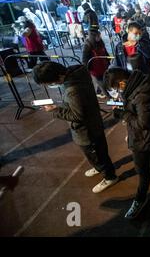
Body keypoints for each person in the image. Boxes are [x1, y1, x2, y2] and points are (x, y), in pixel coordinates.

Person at [32, 62, 117, 193]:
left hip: (87, 130)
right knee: (99, 152)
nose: (51, 85)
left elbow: (77, 116)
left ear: (58, 76)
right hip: (94, 123)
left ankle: (110, 177)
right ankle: (100, 168)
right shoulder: (79, 72)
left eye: (50, 83)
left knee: (97, 155)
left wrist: (55, 110)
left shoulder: (73, 90)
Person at [104, 68, 150, 219]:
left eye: (116, 88)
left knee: (142, 171)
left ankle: (140, 199)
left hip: (142, 137)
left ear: (121, 82)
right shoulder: (141, 81)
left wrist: (122, 114)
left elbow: (142, 122)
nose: (117, 91)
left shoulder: (141, 95)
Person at [82, 26, 110, 98]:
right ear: (94, 36)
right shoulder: (87, 45)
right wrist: (88, 69)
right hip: (95, 69)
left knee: (105, 80)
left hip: (104, 66)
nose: (99, 37)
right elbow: (84, 60)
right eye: (98, 36)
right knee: (101, 83)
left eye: (99, 35)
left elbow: (105, 51)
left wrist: (108, 59)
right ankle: (108, 96)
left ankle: (99, 91)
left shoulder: (100, 42)